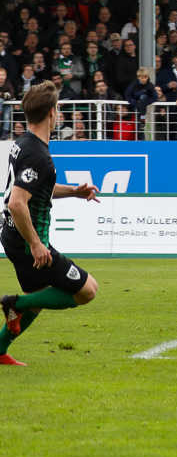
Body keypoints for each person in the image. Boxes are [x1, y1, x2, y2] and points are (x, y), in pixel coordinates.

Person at [1, 81, 101, 366]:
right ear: (52, 113)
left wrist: (74, 191)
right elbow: (17, 202)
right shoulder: (38, 154)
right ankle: (13, 304)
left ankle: (0, 348)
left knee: (39, 298)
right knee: (87, 290)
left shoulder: (24, 145)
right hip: (25, 240)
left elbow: (36, 189)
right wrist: (35, 244)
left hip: (11, 234)